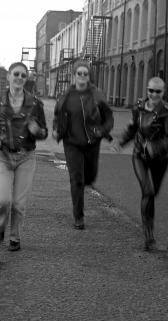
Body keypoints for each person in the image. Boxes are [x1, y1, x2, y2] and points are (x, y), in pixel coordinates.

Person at [0, 62, 48, 251]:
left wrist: (38, 131)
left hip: (26, 158)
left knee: (19, 204)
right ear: (9, 77)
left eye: (23, 75)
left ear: (26, 80)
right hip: (3, 157)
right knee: (3, 201)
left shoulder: (36, 104)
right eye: (16, 74)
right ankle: (0, 224)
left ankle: (15, 237)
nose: (19, 78)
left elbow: (44, 132)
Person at [114, 77, 168, 251]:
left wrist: (155, 147)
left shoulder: (167, 112)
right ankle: (149, 236)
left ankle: (149, 230)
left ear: (163, 93)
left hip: (160, 159)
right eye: (151, 90)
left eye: (158, 91)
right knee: (147, 192)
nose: (153, 94)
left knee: (152, 194)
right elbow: (133, 128)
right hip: (139, 156)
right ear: (147, 90)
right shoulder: (139, 108)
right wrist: (121, 142)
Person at [52, 60, 114, 230]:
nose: (82, 76)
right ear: (74, 76)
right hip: (71, 142)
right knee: (76, 179)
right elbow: (57, 116)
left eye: (85, 74)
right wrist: (56, 129)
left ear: (89, 76)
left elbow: (108, 117)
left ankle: (88, 180)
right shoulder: (65, 95)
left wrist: (102, 131)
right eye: (79, 73)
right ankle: (78, 216)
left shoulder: (97, 94)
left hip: (92, 142)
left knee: (90, 176)